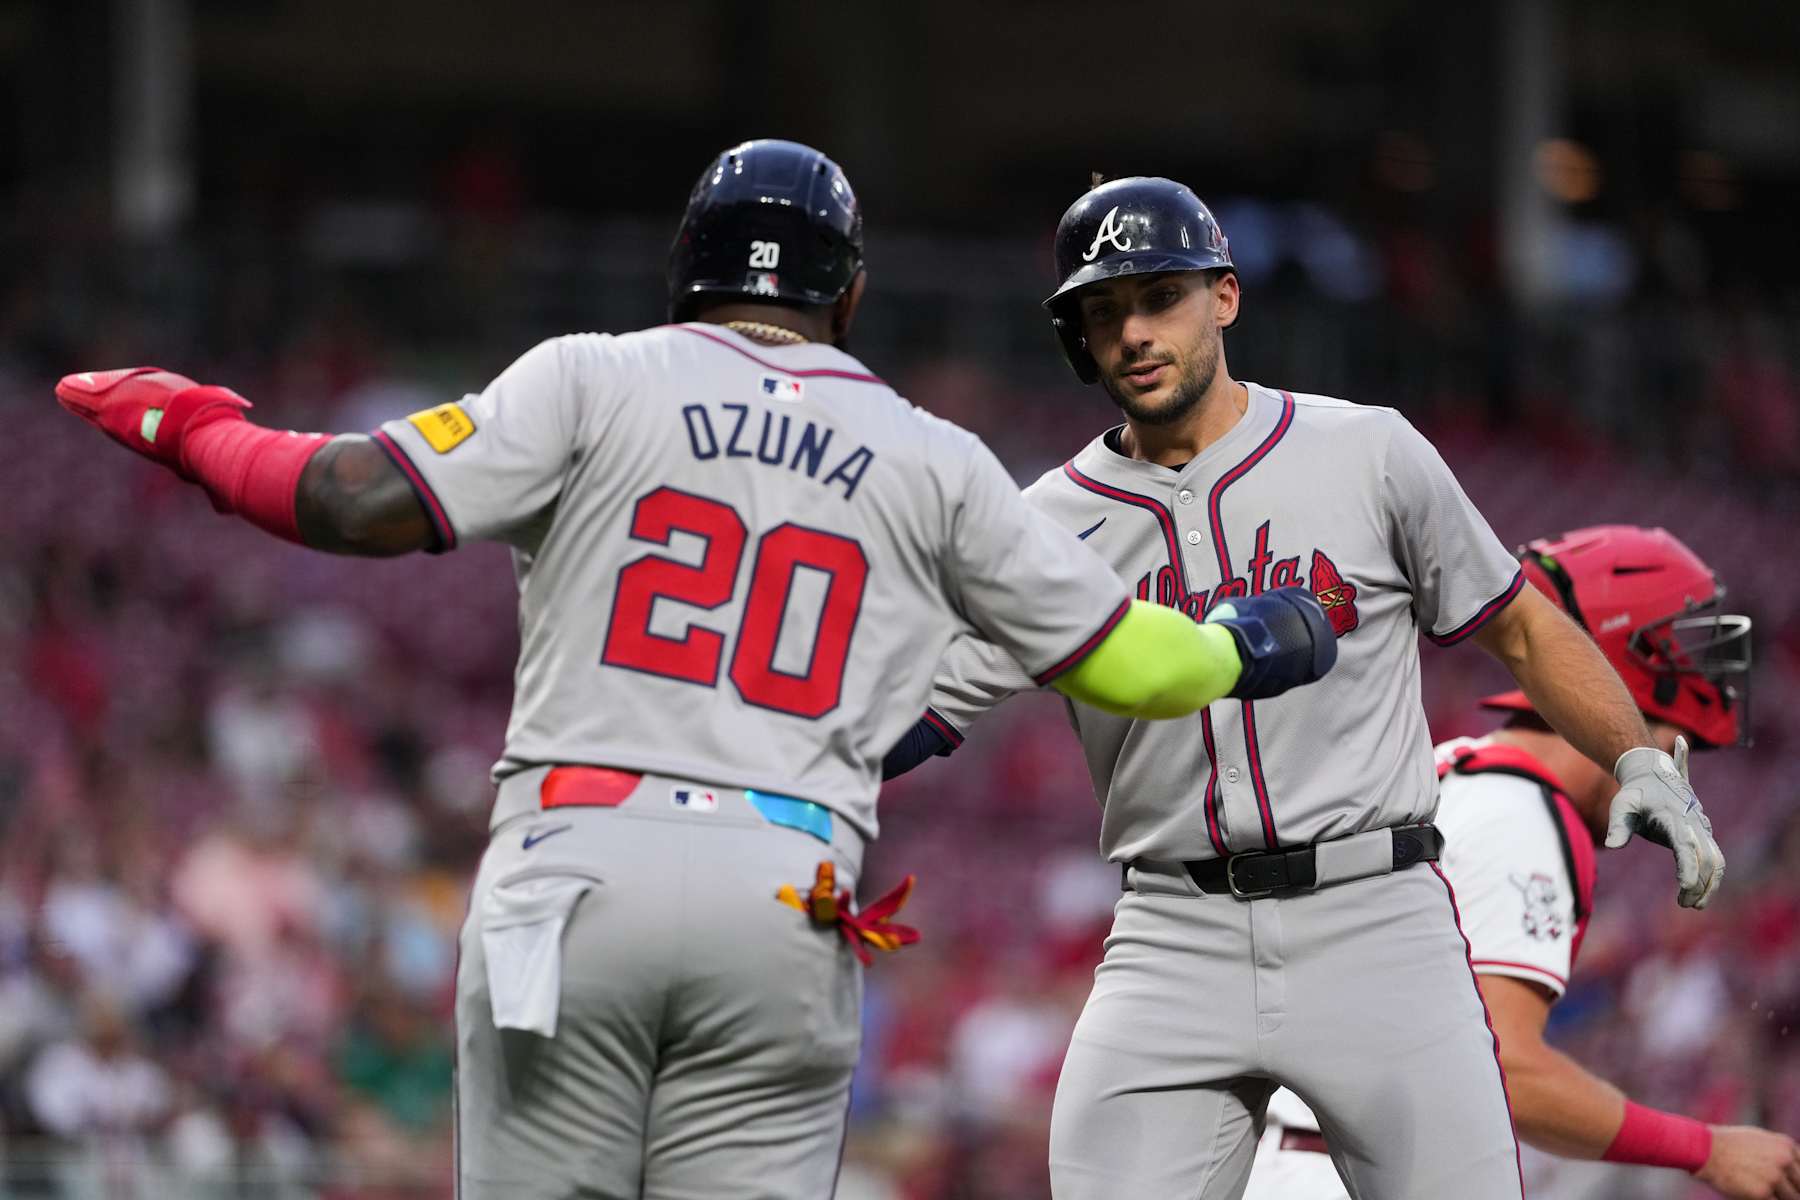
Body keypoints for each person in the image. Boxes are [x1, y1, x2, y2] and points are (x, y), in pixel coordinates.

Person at [53, 140, 1336, 1200]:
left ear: (687, 274)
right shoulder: (928, 452)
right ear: (850, 294)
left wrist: (188, 426)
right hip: (786, 891)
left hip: (575, 871)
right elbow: (1139, 666)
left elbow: (346, 496)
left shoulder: (591, 378)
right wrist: (1250, 643)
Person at [881, 177, 1725, 1200]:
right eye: (1104, 313)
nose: (1135, 333)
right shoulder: (1044, 524)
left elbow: (1518, 623)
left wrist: (1635, 754)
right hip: (1169, 934)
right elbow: (913, 716)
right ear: (1079, 340)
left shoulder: (1366, 451)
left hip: (1377, 918)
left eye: (1160, 299)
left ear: (1224, 298)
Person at [1242, 525, 1800, 1200]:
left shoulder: (1448, 770)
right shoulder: (1523, 812)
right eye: (1665, 739)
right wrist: (1705, 1149)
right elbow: (1507, 1068)